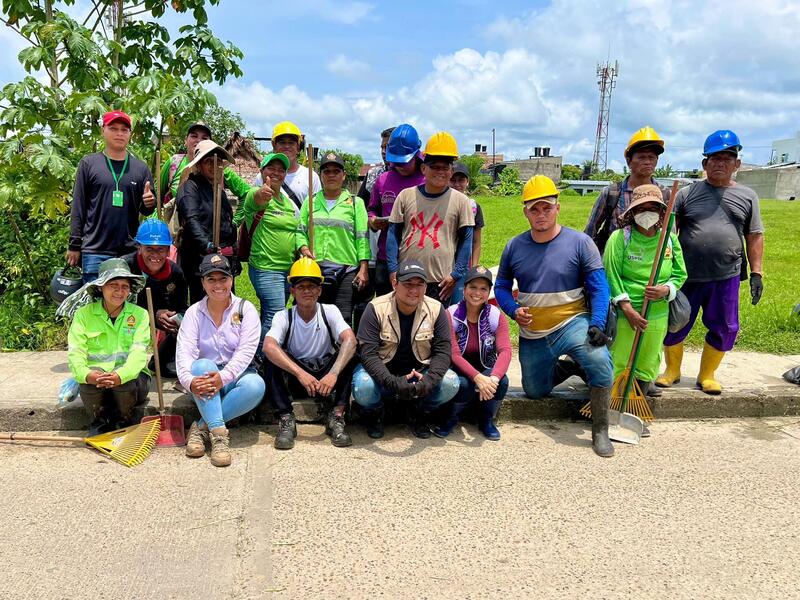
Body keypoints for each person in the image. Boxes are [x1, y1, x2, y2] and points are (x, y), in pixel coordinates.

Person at [494, 175, 615, 458]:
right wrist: (513, 310)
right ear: (525, 212)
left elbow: (599, 287)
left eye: (547, 207)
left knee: (599, 361)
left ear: (557, 208)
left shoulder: (581, 243)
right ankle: (570, 366)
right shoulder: (514, 246)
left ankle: (600, 429)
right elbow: (501, 286)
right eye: (534, 209)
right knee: (534, 391)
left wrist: (597, 323)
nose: (541, 214)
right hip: (534, 332)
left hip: (572, 323)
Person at [657, 130, 764, 395]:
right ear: (704, 163)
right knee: (675, 321)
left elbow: (754, 235)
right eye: (714, 158)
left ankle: (707, 375)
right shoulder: (685, 194)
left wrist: (757, 273)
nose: (720, 163)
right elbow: (669, 233)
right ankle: (672, 370)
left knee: (725, 326)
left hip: (726, 274)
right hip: (686, 274)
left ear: (737, 164)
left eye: (727, 158)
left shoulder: (748, 196)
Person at [353, 260, 460, 439]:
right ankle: (376, 413)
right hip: (384, 372)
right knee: (363, 386)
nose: (414, 290)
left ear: (426, 287)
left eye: (419, 285)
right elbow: (368, 354)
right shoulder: (375, 308)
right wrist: (393, 383)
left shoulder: (436, 309)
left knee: (451, 382)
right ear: (395, 284)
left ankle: (419, 412)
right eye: (408, 284)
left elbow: (443, 351)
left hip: (420, 371)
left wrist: (429, 381)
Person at [176, 254, 264, 467]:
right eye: (211, 279)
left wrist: (223, 377)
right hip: (204, 380)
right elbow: (184, 352)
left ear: (231, 280)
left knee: (256, 385)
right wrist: (189, 381)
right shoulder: (193, 313)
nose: (218, 285)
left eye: (223, 278)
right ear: (202, 283)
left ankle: (201, 427)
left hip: (236, 376)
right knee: (202, 365)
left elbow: (246, 351)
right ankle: (219, 436)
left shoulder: (245, 310)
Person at [603, 184, 687, 406]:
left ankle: (636, 404)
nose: (647, 213)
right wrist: (627, 308)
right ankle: (612, 405)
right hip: (626, 313)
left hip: (657, 313)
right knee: (619, 358)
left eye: (653, 208)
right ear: (632, 212)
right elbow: (611, 274)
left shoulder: (669, 240)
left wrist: (666, 289)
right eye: (641, 208)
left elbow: (680, 274)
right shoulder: (620, 238)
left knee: (649, 359)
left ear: (661, 212)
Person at [263, 258, 357, 450]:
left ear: (319, 290)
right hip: (298, 377)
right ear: (292, 291)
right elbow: (268, 346)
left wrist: (334, 373)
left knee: (350, 353)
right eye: (301, 287)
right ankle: (286, 417)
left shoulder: (330, 311)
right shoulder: (284, 316)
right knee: (271, 358)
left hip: (325, 378)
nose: (307, 291)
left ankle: (337, 415)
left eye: (312, 286)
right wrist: (300, 374)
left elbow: (350, 339)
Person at [67, 110, 155, 283]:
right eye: (113, 128)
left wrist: (149, 202)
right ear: (103, 131)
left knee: (125, 298)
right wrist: (74, 244)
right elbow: (78, 206)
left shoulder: (140, 168)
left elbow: (146, 210)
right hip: (95, 250)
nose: (119, 133)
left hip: (128, 252)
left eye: (124, 130)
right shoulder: (89, 164)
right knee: (94, 299)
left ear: (130, 134)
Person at [387, 132, 475, 303]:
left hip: (441, 282)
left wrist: (455, 274)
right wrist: (393, 269)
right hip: (407, 278)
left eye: (445, 167)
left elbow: (467, 240)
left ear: (451, 171)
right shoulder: (405, 196)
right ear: (423, 169)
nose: (440, 172)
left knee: (437, 320)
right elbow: (393, 235)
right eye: (434, 167)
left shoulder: (461, 201)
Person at [66, 258, 150, 435]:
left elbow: (139, 354)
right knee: (86, 382)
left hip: (132, 381)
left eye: (125, 286)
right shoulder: (83, 315)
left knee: (125, 382)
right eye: (113, 285)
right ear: (100, 287)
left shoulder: (140, 315)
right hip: (97, 381)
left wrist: (120, 375)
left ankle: (125, 421)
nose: (120, 291)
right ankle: (98, 423)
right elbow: (76, 352)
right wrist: (87, 374)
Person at [433, 266, 511, 440]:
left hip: (485, 365)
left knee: (502, 381)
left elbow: (505, 351)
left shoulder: (496, 316)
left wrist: (493, 378)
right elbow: (454, 354)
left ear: (489, 292)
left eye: (483, 289)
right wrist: (477, 377)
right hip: (457, 367)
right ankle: (451, 418)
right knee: (464, 384)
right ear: (464, 288)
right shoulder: (450, 314)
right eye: (473, 287)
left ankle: (486, 420)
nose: (477, 293)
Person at [297, 152, 370, 326]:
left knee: (342, 319)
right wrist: (304, 248)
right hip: (315, 269)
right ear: (320, 175)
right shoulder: (311, 201)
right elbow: (300, 232)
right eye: (326, 171)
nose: (331, 175)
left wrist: (363, 268)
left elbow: (362, 238)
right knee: (315, 318)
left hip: (346, 270)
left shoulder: (355, 203)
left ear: (343, 175)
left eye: (336, 171)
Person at [241, 152, 299, 341]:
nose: (276, 172)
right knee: (276, 315)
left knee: (270, 314)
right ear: (261, 171)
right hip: (266, 268)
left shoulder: (288, 203)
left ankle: (261, 350)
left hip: (287, 270)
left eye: (281, 170)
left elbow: (296, 231)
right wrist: (262, 194)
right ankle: (261, 354)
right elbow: (257, 198)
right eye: (271, 168)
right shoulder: (255, 193)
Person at [584, 126, 668, 254]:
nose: (647, 162)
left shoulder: (665, 194)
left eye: (651, 157)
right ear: (629, 161)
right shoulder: (612, 193)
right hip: (615, 261)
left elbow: (669, 235)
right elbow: (590, 233)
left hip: (650, 262)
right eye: (642, 157)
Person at [121, 219, 188, 378]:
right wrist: (152, 314)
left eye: (160, 250)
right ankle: (123, 363)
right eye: (149, 249)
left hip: (161, 315)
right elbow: (113, 305)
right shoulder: (124, 267)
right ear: (139, 248)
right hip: (127, 316)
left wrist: (176, 318)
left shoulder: (176, 273)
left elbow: (182, 307)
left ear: (168, 251)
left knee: (186, 323)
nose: (155, 255)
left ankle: (160, 362)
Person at [176, 139, 239, 304]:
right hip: (198, 257)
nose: (214, 166)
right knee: (202, 305)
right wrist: (207, 245)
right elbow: (191, 220)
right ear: (199, 165)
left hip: (222, 259)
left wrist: (233, 254)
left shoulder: (219, 190)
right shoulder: (190, 187)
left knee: (226, 303)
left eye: (217, 162)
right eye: (208, 161)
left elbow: (227, 223)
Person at [368, 124, 425, 296]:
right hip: (386, 257)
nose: (400, 165)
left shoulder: (426, 180)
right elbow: (372, 210)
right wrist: (373, 221)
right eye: (396, 160)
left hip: (417, 258)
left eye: (404, 161)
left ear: (416, 153)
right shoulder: (383, 180)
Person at [254, 121, 321, 209]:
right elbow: (254, 206)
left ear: (298, 147)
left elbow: (317, 209)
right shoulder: (263, 176)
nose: (287, 146)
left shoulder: (311, 177)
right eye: (282, 142)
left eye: (291, 143)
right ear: (274, 146)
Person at [448, 161, 485, 304]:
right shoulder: (441, 204)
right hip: (443, 263)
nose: (457, 184)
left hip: (463, 263)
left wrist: (473, 268)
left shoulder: (473, 207)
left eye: (461, 180)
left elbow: (476, 241)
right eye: (453, 180)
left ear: (467, 182)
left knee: (458, 303)